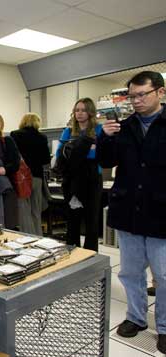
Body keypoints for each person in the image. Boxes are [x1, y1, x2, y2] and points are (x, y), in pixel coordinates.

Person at [97, 70, 166, 353]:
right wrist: (104, 137)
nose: (136, 101)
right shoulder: (123, 127)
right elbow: (105, 161)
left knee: (164, 276)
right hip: (129, 212)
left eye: (142, 95)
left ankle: (164, 327)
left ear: (160, 92)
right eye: (132, 96)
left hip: (162, 213)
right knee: (130, 272)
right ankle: (136, 318)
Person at [56, 98, 102, 251]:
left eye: (83, 110)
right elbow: (59, 155)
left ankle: (91, 254)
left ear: (90, 112)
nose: (79, 113)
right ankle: (72, 252)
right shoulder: (68, 131)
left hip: (92, 179)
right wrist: (86, 150)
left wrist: (76, 152)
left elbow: (98, 155)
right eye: (77, 110)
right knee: (72, 219)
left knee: (91, 220)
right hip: (72, 179)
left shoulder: (99, 130)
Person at [10, 113, 51, 235]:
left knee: (24, 212)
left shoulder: (15, 135)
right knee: (36, 211)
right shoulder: (42, 137)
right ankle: (38, 238)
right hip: (37, 178)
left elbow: (13, 157)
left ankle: (27, 239)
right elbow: (46, 160)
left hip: (22, 179)